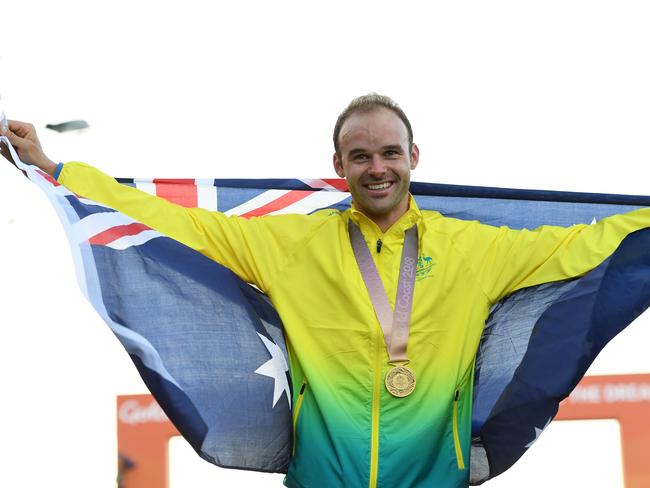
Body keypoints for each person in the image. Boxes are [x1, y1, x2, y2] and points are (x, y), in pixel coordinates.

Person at [2, 94, 650, 488]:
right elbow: (183, 224)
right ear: (338, 165)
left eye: (389, 153)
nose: (377, 168)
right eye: (360, 156)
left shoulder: (473, 249)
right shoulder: (291, 247)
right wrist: (59, 170)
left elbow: (585, 245)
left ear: (414, 157)